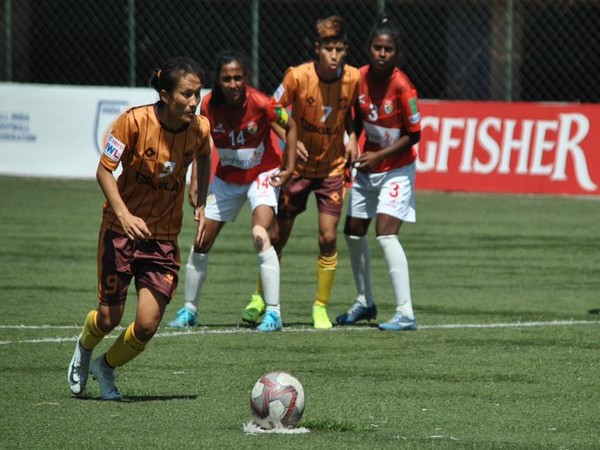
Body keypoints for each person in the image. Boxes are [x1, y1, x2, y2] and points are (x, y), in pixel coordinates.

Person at [67, 57, 212, 400]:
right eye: (187, 94)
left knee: (147, 324)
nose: (195, 102)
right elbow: (104, 171)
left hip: (163, 238)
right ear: (165, 94)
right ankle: (85, 346)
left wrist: (201, 199)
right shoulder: (132, 122)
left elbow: (205, 155)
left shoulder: (200, 128)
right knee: (108, 319)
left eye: (198, 94)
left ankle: (106, 367)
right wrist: (124, 215)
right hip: (120, 232)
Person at [243, 15, 360, 329]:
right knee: (277, 237)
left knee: (328, 236)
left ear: (345, 50)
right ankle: (259, 297)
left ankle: (320, 306)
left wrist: (351, 138)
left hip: (332, 169)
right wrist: (290, 143)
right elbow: (271, 111)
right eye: (328, 49)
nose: (334, 55)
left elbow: (350, 113)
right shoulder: (296, 76)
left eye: (340, 49)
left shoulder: (352, 78)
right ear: (317, 49)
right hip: (297, 170)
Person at [166, 50, 297, 332]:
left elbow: (291, 123)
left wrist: (289, 166)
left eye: (238, 77)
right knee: (200, 240)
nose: (233, 83)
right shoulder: (208, 105)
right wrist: (196, 182)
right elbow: (200, 146)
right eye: (227, 78)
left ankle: (273, 313)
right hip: (227, 179)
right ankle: (190, 310)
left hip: (263, 174)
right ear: (218, 80)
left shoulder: (262, 103)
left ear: (245, 78)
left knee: (260, 235)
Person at [335, 16, 421, 331]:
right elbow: (350, 116)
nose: (382, 53)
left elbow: (414, 135)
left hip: (397, 168)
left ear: (396, 52)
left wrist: (378, 156)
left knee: (385, 233)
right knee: (353, 232)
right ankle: (365, 301)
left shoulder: (403, 85)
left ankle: (405, 312)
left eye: (388, 49)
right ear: (369, 49)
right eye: (377, 47)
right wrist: (351, 144)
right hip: (368, 166)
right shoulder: (358, 77)